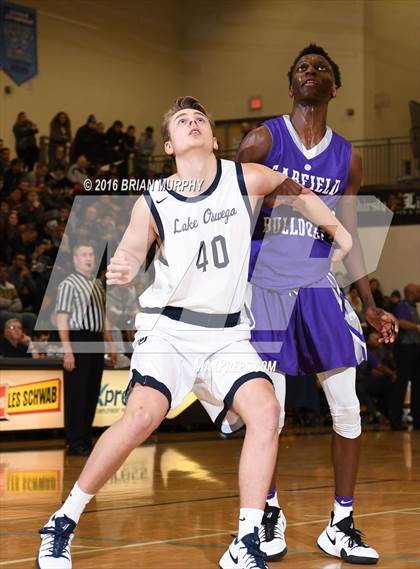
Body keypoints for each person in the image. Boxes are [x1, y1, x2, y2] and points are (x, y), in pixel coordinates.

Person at [36, 96, 352, 569]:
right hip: (170, 330)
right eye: (182, 121)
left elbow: (298, 191)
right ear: (169, 144)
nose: (193, 123)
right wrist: (122, 263)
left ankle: (246, 541)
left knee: (267, 412)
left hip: (226, 334)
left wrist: (339, 234)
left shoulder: (245, 178)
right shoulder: (153, 199)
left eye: (199, 119)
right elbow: (129, 249)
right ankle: (62, 521)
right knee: (143, 416)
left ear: (212, 136)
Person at [237, 44, 398, 564]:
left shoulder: (348, 155)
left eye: (322, 68)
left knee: (348, 408)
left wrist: (368, 302)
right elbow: (226, 209)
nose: (312, 73)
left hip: (318, 284)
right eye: (303, 68)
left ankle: (342, 521)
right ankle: (268, 513)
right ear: (291, 85)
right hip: (265, 288)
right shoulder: (264, 138)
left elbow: (348, 229)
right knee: (271, 415)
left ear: (335, 87)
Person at [55, 242, 117, 456]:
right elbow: (61, 319)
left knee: (91, 393)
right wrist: (68, 350)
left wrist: (111, 345)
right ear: (75, 259)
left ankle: (85, 440)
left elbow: (104, 318)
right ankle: (74, 442)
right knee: (77, 394)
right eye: (83, 254)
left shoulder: (99, 285)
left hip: (96, 341)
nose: (88, 257)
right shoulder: (68, 284)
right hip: (78, 340)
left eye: (91, 253)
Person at [391, 283, 420, 430]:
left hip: (414, 348)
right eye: (418, 291)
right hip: (404, 349)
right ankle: (395, 420)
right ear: (411, 293)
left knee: (417, 383)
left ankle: (417, 419)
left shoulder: (414, 307)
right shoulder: (403, 306)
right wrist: (417, 327)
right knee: (402, 383)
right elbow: (401, 322)